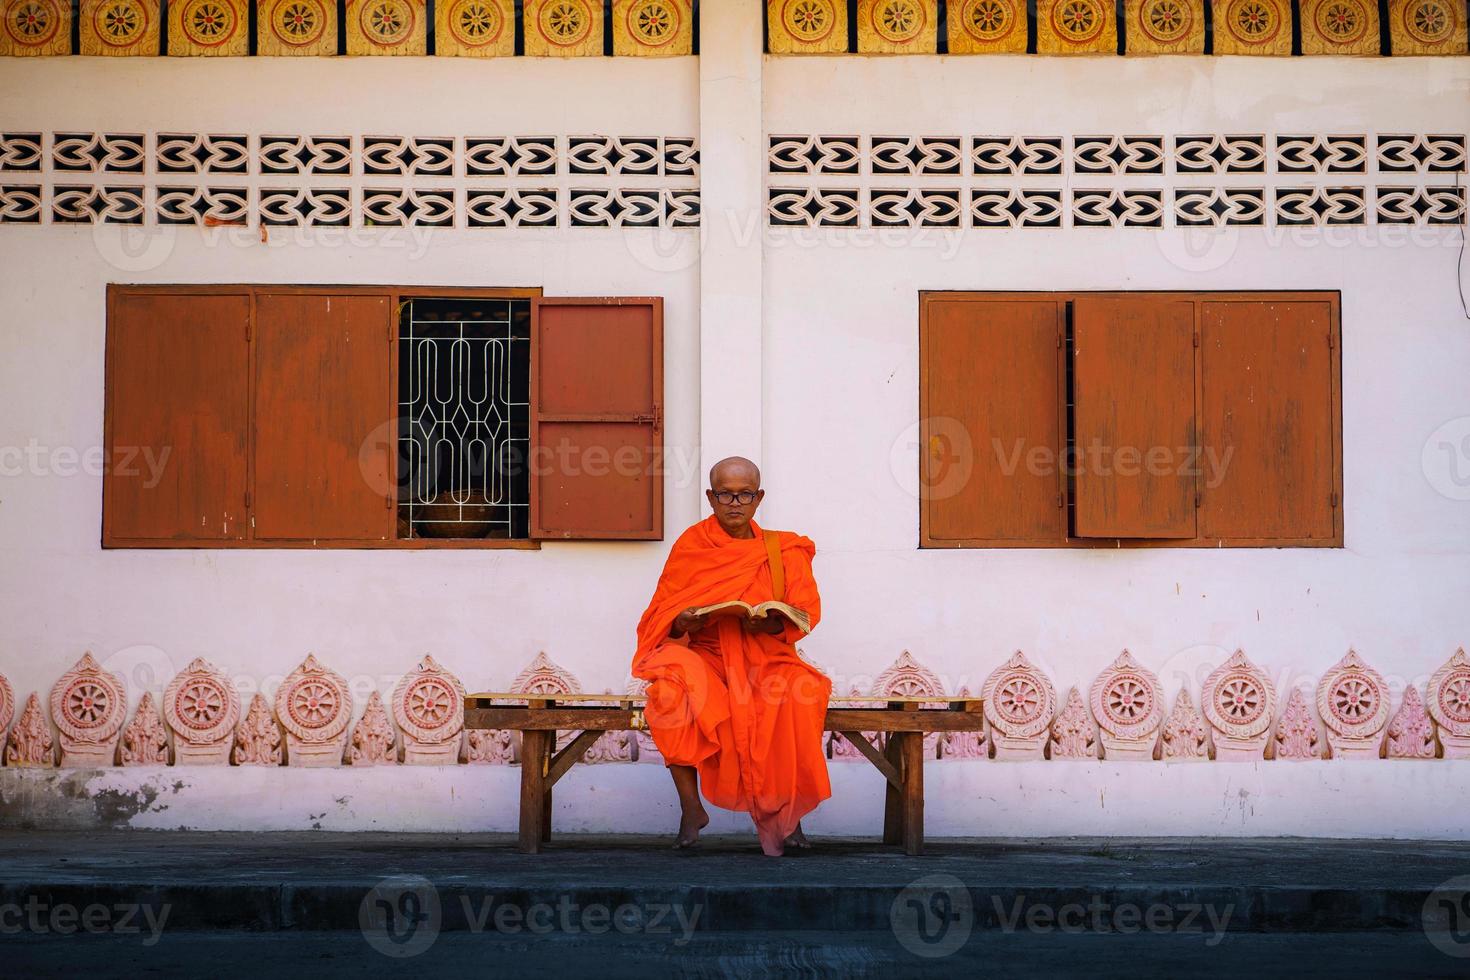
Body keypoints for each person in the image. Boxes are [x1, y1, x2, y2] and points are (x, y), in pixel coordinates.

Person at [631, 456, 832, 856]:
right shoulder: (692, 545)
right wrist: (682, 622)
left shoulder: (783, 548)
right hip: (707, 658)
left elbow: (806, 612)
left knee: (798, 694)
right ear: (711, 497)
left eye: (745, 495)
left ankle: (789, 818)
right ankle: (692, 810)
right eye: (725, 494)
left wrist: (770, 625)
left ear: (759, 498)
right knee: (668, 697)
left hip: (767, 657)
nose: (735, 503)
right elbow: (661, 612)